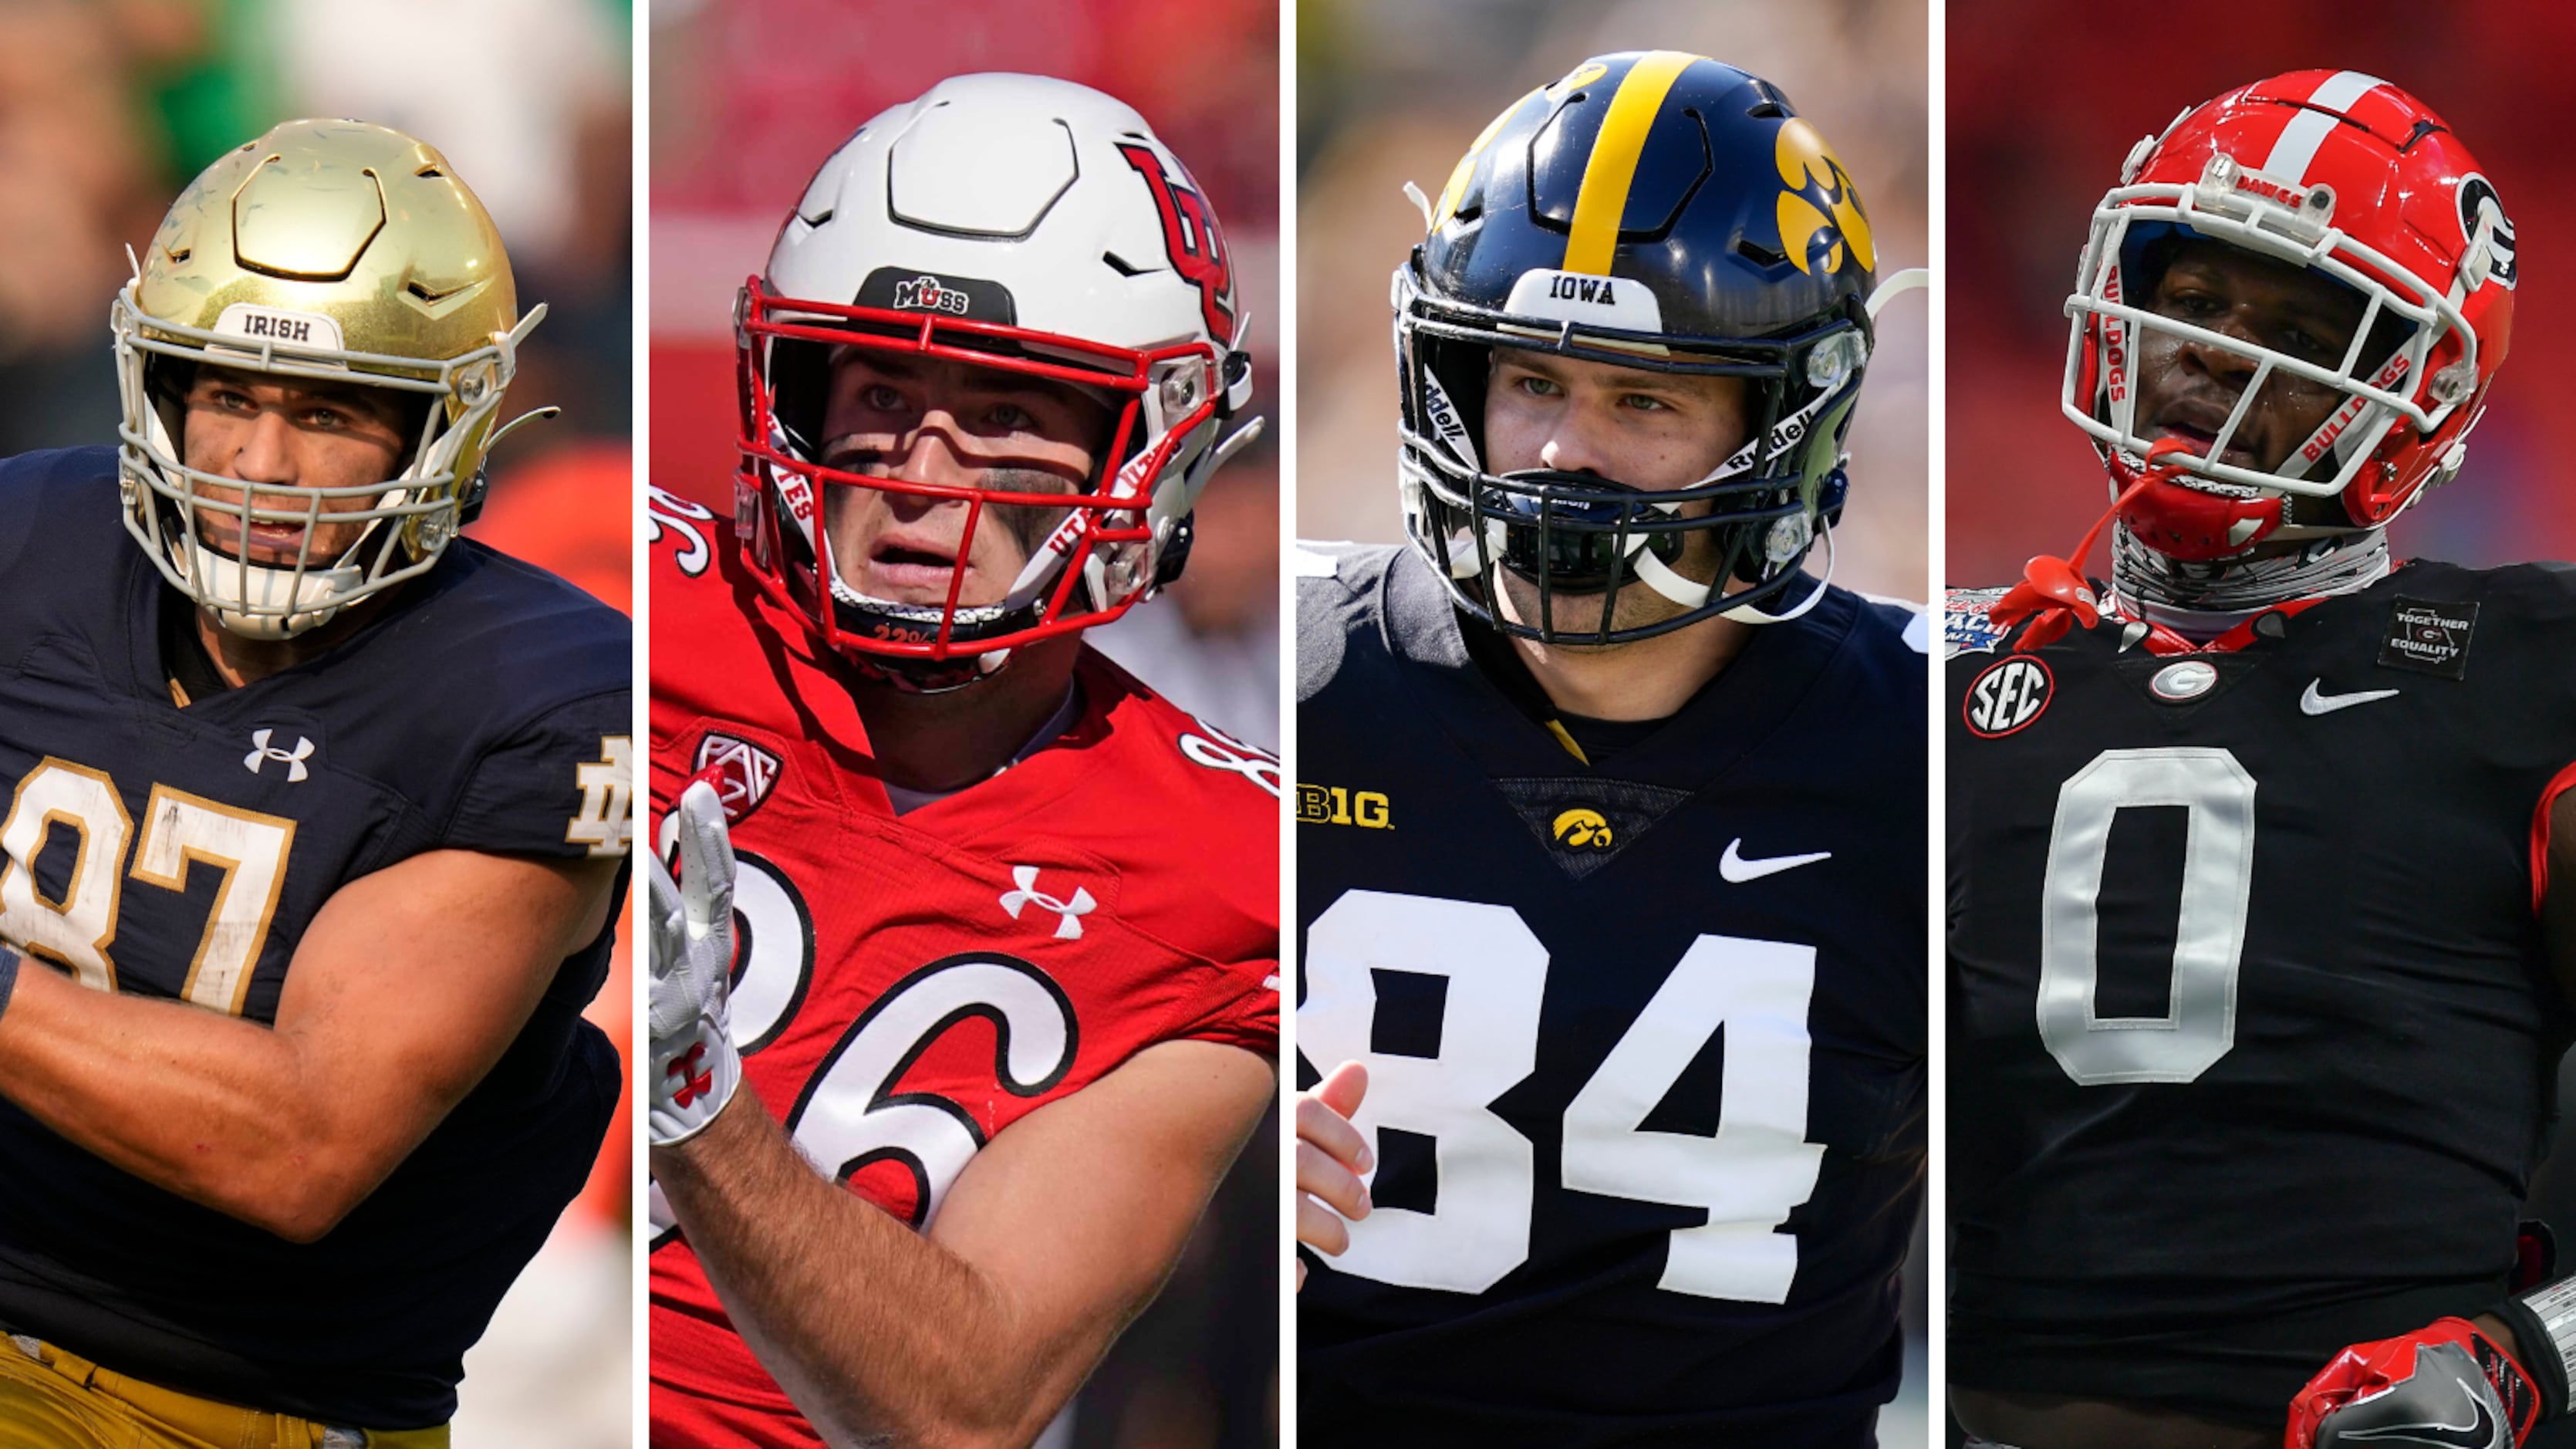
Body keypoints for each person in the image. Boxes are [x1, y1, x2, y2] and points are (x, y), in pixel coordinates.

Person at [1293, 50, 1929, 1447]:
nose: (1561, 453)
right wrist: (1197, 1163)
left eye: (1645, 400)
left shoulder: (1929, 747)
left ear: (1785, 423)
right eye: (1528, 379)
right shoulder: (1290, 692)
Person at [642, 73, 1281, 1447]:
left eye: (1001, 408)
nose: (920, 467)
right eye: (878, 388)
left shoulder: (1225, 870)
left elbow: (959, 1402)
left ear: (1150, 449)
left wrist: (695, 1088)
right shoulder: (622, 605)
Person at [1946, 69, 2576, 1449]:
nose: (2221, 352)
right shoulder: (1941, 674)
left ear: (2419, 398)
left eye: (2300, 329)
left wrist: (2531, 1355)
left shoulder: (2531, 671)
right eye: (2194, 299)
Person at [0, 119, 630, 1447]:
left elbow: (299, 1145)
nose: (261, 470)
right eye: (225, 397)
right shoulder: (29, 537)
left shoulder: (541, 692)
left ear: (445, 426)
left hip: (224, 1399)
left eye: (327, 413)